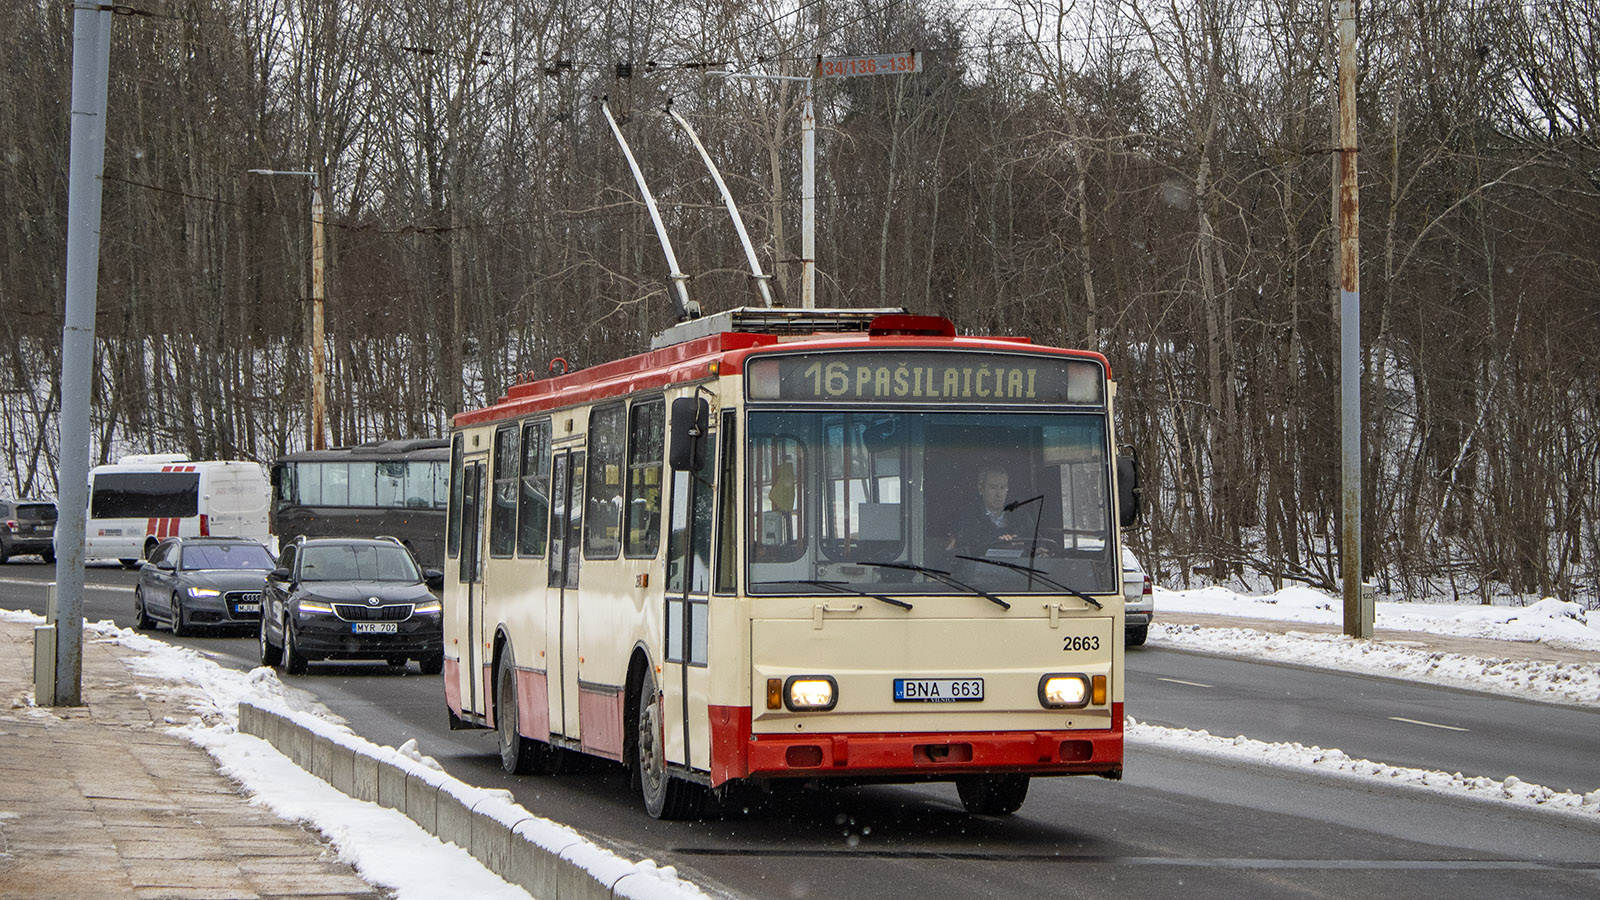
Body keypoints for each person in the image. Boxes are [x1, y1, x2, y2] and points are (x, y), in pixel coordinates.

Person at [948, 465, 1022, 555]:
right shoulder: (967, 519)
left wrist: (1036, 552)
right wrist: (997, 545)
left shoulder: (1022, 518)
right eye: (993, 487)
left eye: (1003, 487)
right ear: (980, 489)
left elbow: (1035, 545)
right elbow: (958, 554)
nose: (999, 494)